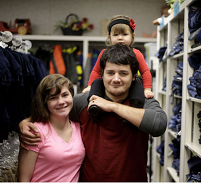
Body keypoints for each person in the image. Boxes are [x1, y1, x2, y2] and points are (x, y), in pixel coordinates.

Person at [19, 44, 167, 182]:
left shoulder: (143, 102)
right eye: (110, 73)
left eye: (123, 73)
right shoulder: (84, 101)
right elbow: (52, 109)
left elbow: (158, 125)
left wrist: (112, 106)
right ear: (101, 75)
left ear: (134, 76)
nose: (116, 79)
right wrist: (25, 122)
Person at [17, 74, 85, 182]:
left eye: (65, 95)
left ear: (72, 96)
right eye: (53, 98)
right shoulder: (35, 132)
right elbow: (23, 180)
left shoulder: (79, 127)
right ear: (44, 103)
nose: (61, 102)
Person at [82, 15, 154, 109]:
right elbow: (96, 71)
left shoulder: (136, 53)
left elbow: (145, 72)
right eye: (116, 35)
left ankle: (133, 110)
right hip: (109, 87)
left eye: (124, 34)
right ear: (109, 37)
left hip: (130, 84)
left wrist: (147, 89)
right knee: (96, 84)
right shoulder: (104, 53)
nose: (120, 38)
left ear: (132, 36)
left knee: (138, 87)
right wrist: (90, 86)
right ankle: (95, 108)